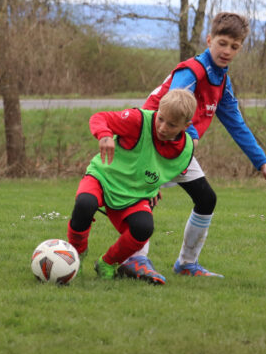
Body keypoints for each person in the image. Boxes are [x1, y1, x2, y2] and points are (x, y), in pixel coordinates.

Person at [117, 12, 266, 281]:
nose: (227, 51)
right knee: (145, 197)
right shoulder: (192, 71)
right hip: (152, 141)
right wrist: (190, 136)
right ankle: (134, 259)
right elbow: (175, 106)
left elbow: (237, 124)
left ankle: (186, 263)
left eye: (234, 47)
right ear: (209, 40)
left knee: (206, 199)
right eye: (222, 43)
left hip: (179, 146)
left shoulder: (221, 81)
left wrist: (262, 164)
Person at [65, 89, 197, 282]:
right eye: (160, 119)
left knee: (144, 228)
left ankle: (107, 263)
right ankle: (74, 256)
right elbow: (100, 118)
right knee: (85, 203)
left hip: (134, 194)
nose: (162, 128)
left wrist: (154, 187)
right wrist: (104, 135)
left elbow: (163, 169)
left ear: (186, 126)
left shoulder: (185, 150)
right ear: (157, 111)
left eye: (171, 125)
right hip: (102, 177)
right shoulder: (138, 120)